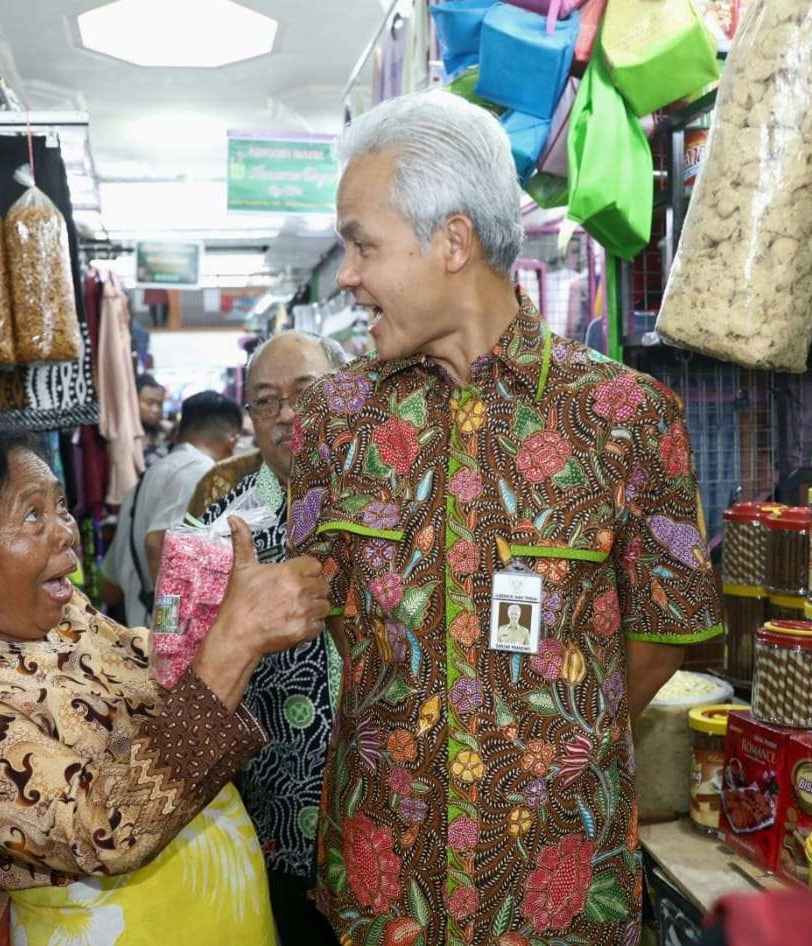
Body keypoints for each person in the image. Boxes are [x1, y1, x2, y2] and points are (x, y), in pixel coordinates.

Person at [287, 90, 722, 945]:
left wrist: (549, 744)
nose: (346, 276)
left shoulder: (628, 417)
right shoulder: (333, 424)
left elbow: (664, 635)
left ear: (452, 242)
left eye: (361, 245)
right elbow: (328, 623)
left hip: (558, 894)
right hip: (385, 894)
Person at [0, 421, 331, 946]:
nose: (66, 530)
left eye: (59, 506)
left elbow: (165, 681)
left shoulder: (68, 619)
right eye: (31, 514)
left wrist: (230, 618)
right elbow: (101, 832)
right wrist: (233, 644)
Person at [185, 330, 349, 946]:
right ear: (248, 416)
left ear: (348, 391)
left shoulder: (405, 509)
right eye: (265, 400)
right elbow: (179, 684)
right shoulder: (212, 537)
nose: (286, 414)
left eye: (307, 392)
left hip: (409, 826)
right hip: (280, 829)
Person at [103, 391, 243, 628]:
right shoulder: (201, 473)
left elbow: (109, 586)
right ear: (232, 440)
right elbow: (157, 544)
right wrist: (169, 630)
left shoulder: (144, 481)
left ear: (179, 433)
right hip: (169, 644)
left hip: (141, 638)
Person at [137, 373, 169, 468]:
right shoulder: (122, 439)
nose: (156, 410)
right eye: (149, 403)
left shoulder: (167, 436)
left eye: (160, 404)